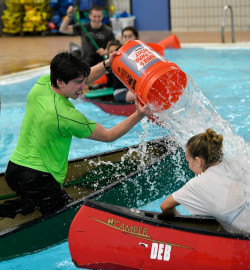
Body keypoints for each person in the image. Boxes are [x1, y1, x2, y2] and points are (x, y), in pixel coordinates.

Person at [1, 51, 152, 219]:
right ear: (59, 81)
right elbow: (109, 135)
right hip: (37, 178)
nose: (84, 87)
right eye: (78, 82)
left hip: (14, 169)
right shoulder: (66, 115)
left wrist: (107, 64)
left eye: (83, 80)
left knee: (32, 203)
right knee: (67, 221)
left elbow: (82, 78)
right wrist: (139, 114)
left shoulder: (42, 84)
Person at [160, 128, 250, 234]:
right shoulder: (239, 162)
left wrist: (183, 221)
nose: (189, 166)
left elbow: (165, 207)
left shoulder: (196, 185)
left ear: (198, 161)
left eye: (188, 162)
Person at [111, 27, 139, 103]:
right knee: (142, 95)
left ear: (136, 38)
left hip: (135, 90)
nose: (127, 39)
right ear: (122, 39)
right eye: (125, 37)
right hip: (121, 91)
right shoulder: (118, 53)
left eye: (130, 36)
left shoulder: (140, 51)